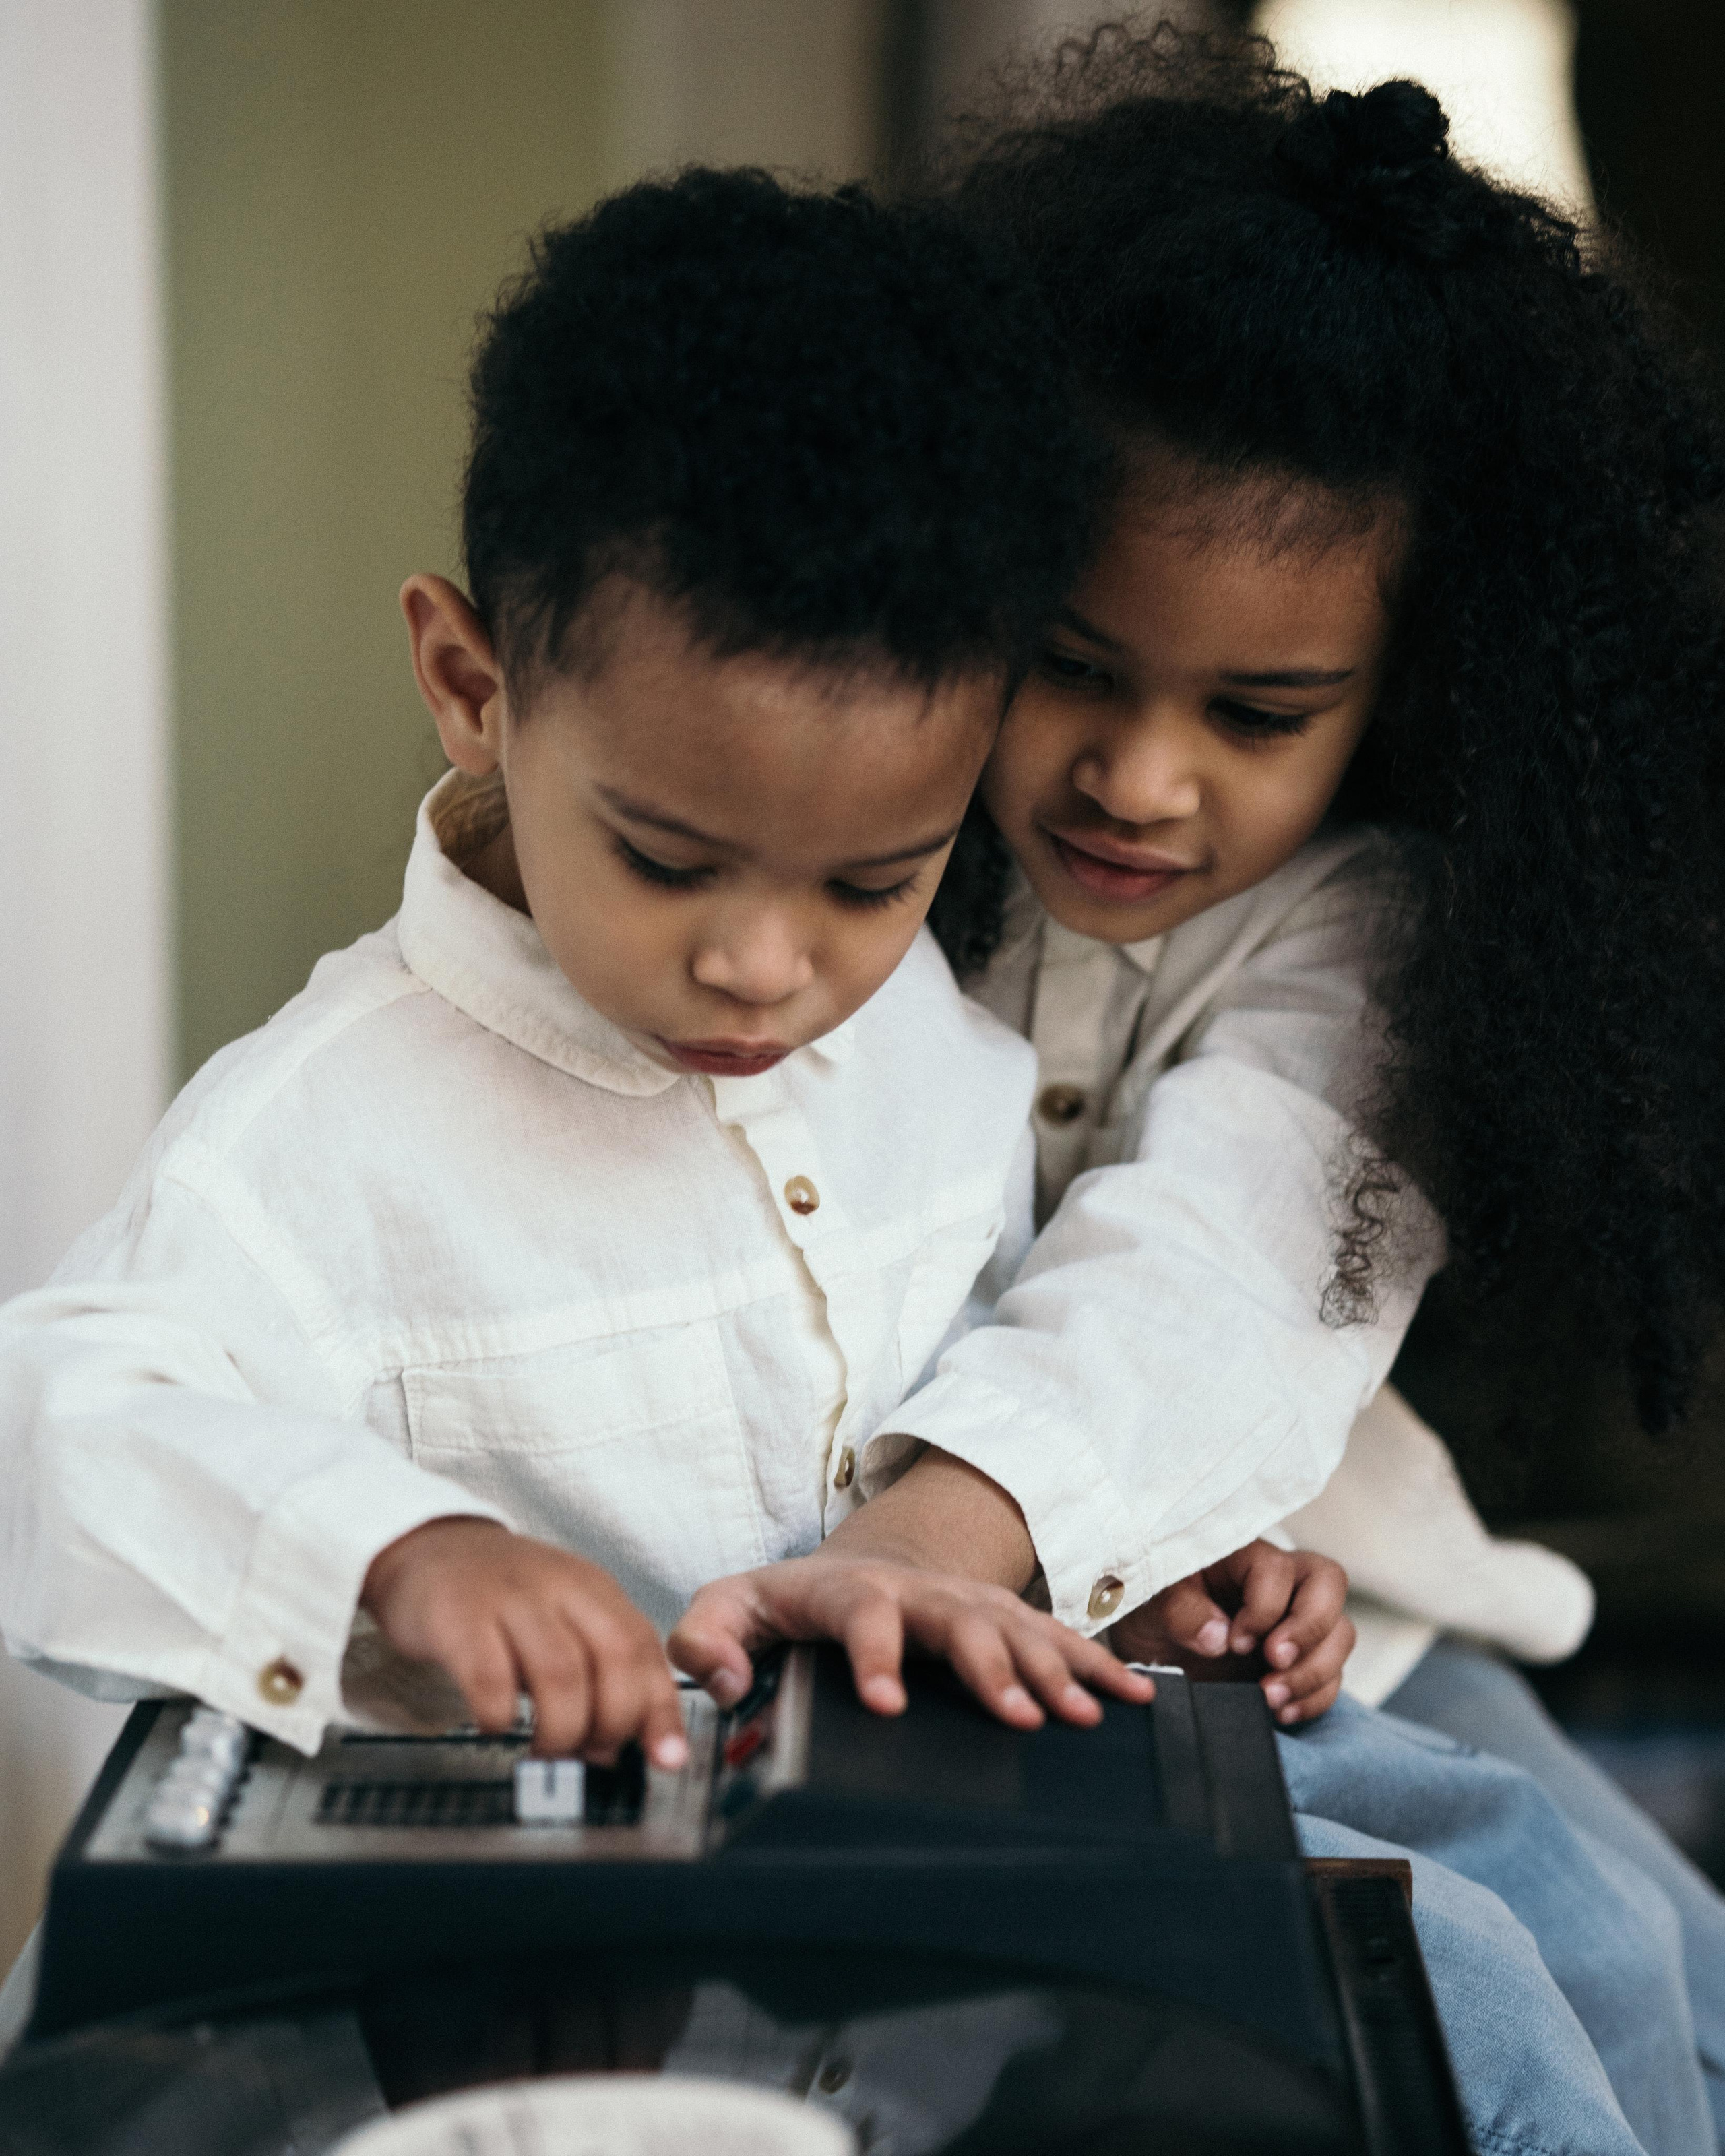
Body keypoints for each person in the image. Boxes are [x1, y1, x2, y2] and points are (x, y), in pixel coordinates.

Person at [672, 29, 1725, 2155]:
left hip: (1289, 1622)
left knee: (1660, 1944)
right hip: (916, 1654)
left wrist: (961, 1537)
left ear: (1408, 687)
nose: (1142, 780)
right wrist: (934, 1565)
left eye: (1259, 709)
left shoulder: (1364, 940)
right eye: (1072, 660)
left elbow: (1227, 1263)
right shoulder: (825, 883)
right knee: (1505, 1989)